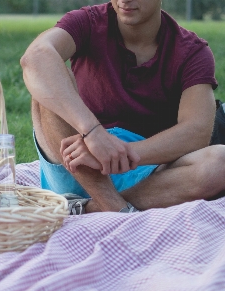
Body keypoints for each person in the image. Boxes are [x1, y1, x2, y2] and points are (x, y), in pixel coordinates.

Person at [20, 0, 225, 213]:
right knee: (47, 84)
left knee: (221, 162)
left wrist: (116, 155)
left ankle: (89, 209)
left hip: (145, 177)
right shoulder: (88, 22)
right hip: (74, 168)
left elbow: (197, 131)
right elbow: (36, 57)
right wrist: (93, 135)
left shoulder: (191, 51)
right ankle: (116, 208)